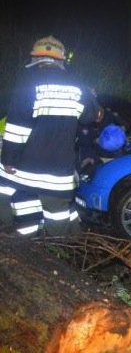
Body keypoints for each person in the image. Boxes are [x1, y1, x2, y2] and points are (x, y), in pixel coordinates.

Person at [0, 35, 103, 236]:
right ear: (61, 60)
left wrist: (8, 159)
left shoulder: (27, 84)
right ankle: (63, 254)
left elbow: (17, 128)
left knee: (20, 208)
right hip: (58, 176)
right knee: (59, 217)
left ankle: (27, 251)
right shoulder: (77, 86)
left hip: (24, 172)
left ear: (35, 60)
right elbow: (94, 117)